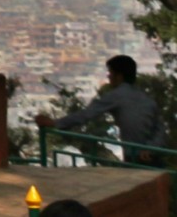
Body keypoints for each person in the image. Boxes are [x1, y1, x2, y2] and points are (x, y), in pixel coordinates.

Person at [37, 55, 168, 165]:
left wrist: (55, 123)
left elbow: (86, 114)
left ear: (119, 76)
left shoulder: (117, 95)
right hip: (155, 158)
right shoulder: (146, 98)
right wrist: (150, 149)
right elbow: (160, 130)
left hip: (135, 158)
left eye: (110, 73)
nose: (109, 77)